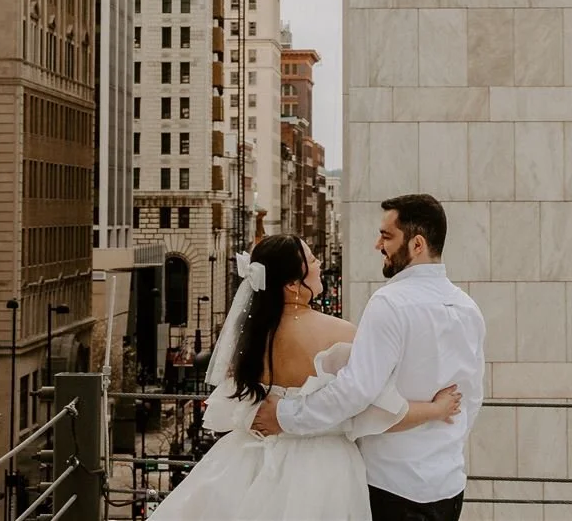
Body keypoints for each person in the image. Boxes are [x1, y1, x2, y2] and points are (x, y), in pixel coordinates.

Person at [148, 234, 462, 520]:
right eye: (312, 260)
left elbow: (234, 407)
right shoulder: (339, 334)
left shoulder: (249, 338)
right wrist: (437, 409)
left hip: (246, 460)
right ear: (292, 284)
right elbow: (374, 409)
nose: (320, 264)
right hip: (323, 469)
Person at [254, 194, 486, 521]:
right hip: (449, 485)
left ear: (417, 244)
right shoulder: (468, 308)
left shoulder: (389, 303)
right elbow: (472, 398)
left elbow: (355, 392)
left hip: (393, 485)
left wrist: (286, 416)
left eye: (387, 236)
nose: (378, 244)